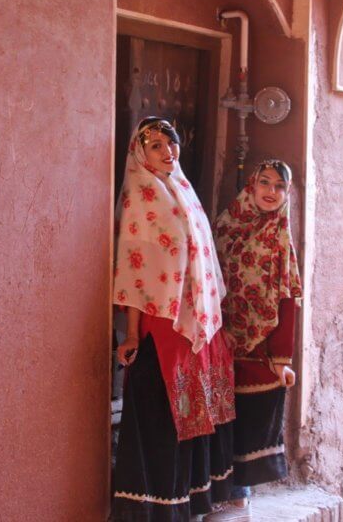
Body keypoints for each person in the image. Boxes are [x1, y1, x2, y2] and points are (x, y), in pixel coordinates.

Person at [111, 117, 236, 522]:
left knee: (192, 413)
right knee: (162, 415)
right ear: (139, 154)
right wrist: (130, 335)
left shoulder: (182, 190)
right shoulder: (139, 199)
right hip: (160, 324)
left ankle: (192, 500)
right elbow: (134, 271)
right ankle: (155, 509)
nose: (168, 152)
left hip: (194, 325)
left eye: (171, 143)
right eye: (156, 146)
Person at [208, 160, 303, 518]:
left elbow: (288, 297)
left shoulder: (280, 237)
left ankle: (238, 500)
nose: (271, 192)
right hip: (218, 340)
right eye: (265, 182)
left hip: (259, 350)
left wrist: (283, 358)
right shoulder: (225, 226)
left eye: (280, 186)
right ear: (251, 184)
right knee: (217, 421)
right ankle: (215, 496)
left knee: (247, 425)